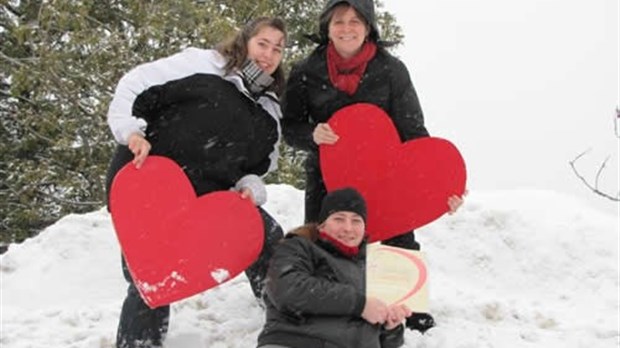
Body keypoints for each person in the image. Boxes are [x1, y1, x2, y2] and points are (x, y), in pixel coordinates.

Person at [280, 0, 465, 333]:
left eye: (355, 20)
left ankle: (404, 300)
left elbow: (413, 132)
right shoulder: (306, 70)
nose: (347, 28)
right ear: (327, 26)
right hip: (328, 177)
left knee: (394, 227)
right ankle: (331, 303)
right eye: (339, 21)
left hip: (385, 174)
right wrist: (312, 133)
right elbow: (290, 127)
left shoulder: (392, 70)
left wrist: (440, 185)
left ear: (369, 27)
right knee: (326, 244)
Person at [104, 17, 287, 348]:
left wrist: (249, 183)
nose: (269, 54)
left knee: (265, 235)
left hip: (205, 200)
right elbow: (135, 86)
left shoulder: (269, 109)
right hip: (150, 184)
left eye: (277, 48)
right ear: (245, 42)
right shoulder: (204, 65)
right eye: (263, 43)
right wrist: (131, 131)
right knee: (151, 282)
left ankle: (284, 312)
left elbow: (255, 166)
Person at [257, 187, 412, 348]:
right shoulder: (298, 247)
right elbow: (287, 289)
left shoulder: (373, 267)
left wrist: (391, 328)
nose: (348, 228)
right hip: (298, 341)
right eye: (339, 219)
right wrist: (359, 304)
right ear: (322, 225)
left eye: (356, 221)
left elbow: (384, 342)